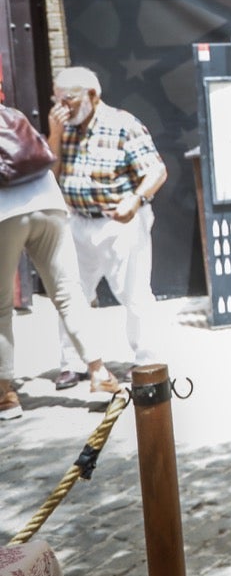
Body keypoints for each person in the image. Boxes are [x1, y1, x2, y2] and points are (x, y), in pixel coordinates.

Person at [0, 103, 122, 420]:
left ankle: (5, 395)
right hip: (48, 201)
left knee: (0, 308)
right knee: (69, 292)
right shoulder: (15, 115)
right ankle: (99, 373)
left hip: (4, 213)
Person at [46, 66, 167, 381]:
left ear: (92, 95)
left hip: (119, 221)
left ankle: (147, 361)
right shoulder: (64, 127)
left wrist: (136, 199)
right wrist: (54, 135)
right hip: (77, 219)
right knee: (72, 293)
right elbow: (50, 175)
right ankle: (73, 362)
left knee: (134, 292)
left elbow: (156, 171)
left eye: (68, 99)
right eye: (56, 100)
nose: (62, 107)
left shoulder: (123, 124)